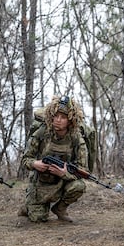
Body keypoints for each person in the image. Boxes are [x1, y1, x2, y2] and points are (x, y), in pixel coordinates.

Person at [20, 95, 88, 223]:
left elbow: (83, 170)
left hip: (63, 183)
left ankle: (60, 208)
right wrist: (35, 164)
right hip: (41, 184)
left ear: (70, 120)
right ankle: (28, 207)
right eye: (56, 116)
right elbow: (25, 159)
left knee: (79, 186)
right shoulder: (41, 133)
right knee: (38, 219)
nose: (58, 120)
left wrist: (65, 173)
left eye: (63, 117)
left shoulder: (77, 139)